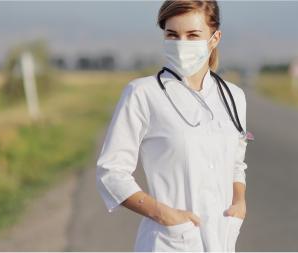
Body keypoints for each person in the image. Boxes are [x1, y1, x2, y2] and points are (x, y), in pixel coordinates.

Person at [94, 0, 249, 251]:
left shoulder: (233, 97)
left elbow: (236, 163)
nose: (181, 44)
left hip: (221, 239)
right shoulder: (143, 93)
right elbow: (111, 173)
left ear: (214, 38)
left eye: (192, 35)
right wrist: (164, 214)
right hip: (170, 242)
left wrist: (239, 203)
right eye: (172, 35)